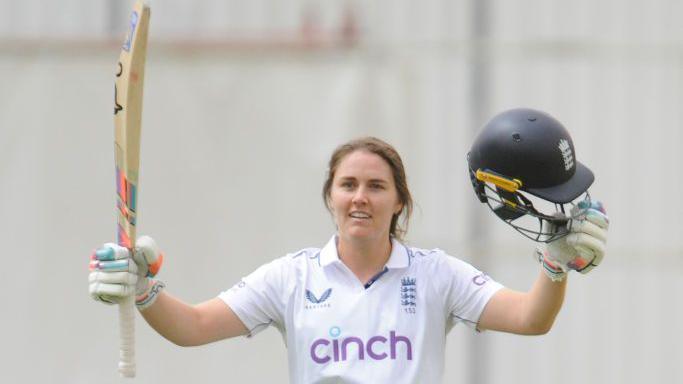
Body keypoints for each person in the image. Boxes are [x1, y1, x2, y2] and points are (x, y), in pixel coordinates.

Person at [89, 109, 609, 383]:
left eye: (377, 187)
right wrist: (144, 290)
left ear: (399, 203)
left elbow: (531, 318)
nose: (361, 197)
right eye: (348, 185)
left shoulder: (435, 275)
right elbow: (194, 327)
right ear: (330, 197)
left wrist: (554, 266)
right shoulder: (291, 278)